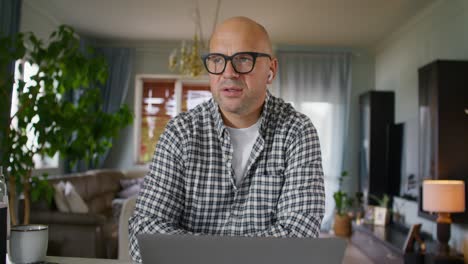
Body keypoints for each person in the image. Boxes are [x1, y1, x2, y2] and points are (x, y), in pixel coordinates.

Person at [129, 16, 325, 263]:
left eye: (244, 59)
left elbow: (300, 235)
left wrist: (196, 253)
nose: (228, 73)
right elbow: (145, 233)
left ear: (271, 70)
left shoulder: (298, 132)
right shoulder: (180, 132)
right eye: (217, 60)